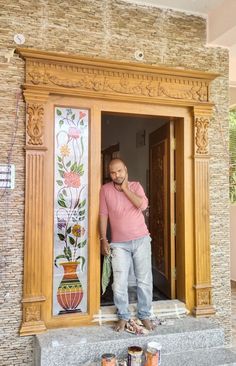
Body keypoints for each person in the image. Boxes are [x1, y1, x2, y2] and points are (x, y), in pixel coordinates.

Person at [99, 158, 154, 332]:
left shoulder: (136, 186)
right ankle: (123, 315)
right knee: (119, 282)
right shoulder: (105, 190)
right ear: (110, 174)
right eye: (113, 173)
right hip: (119, 244)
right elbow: (103, 215)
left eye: (119, 171)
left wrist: (125, 189)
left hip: (141, 240)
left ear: (125, 170)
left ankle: (144, 314)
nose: (116, 175)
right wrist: (103, 239)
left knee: (144, 280)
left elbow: (142, 205)